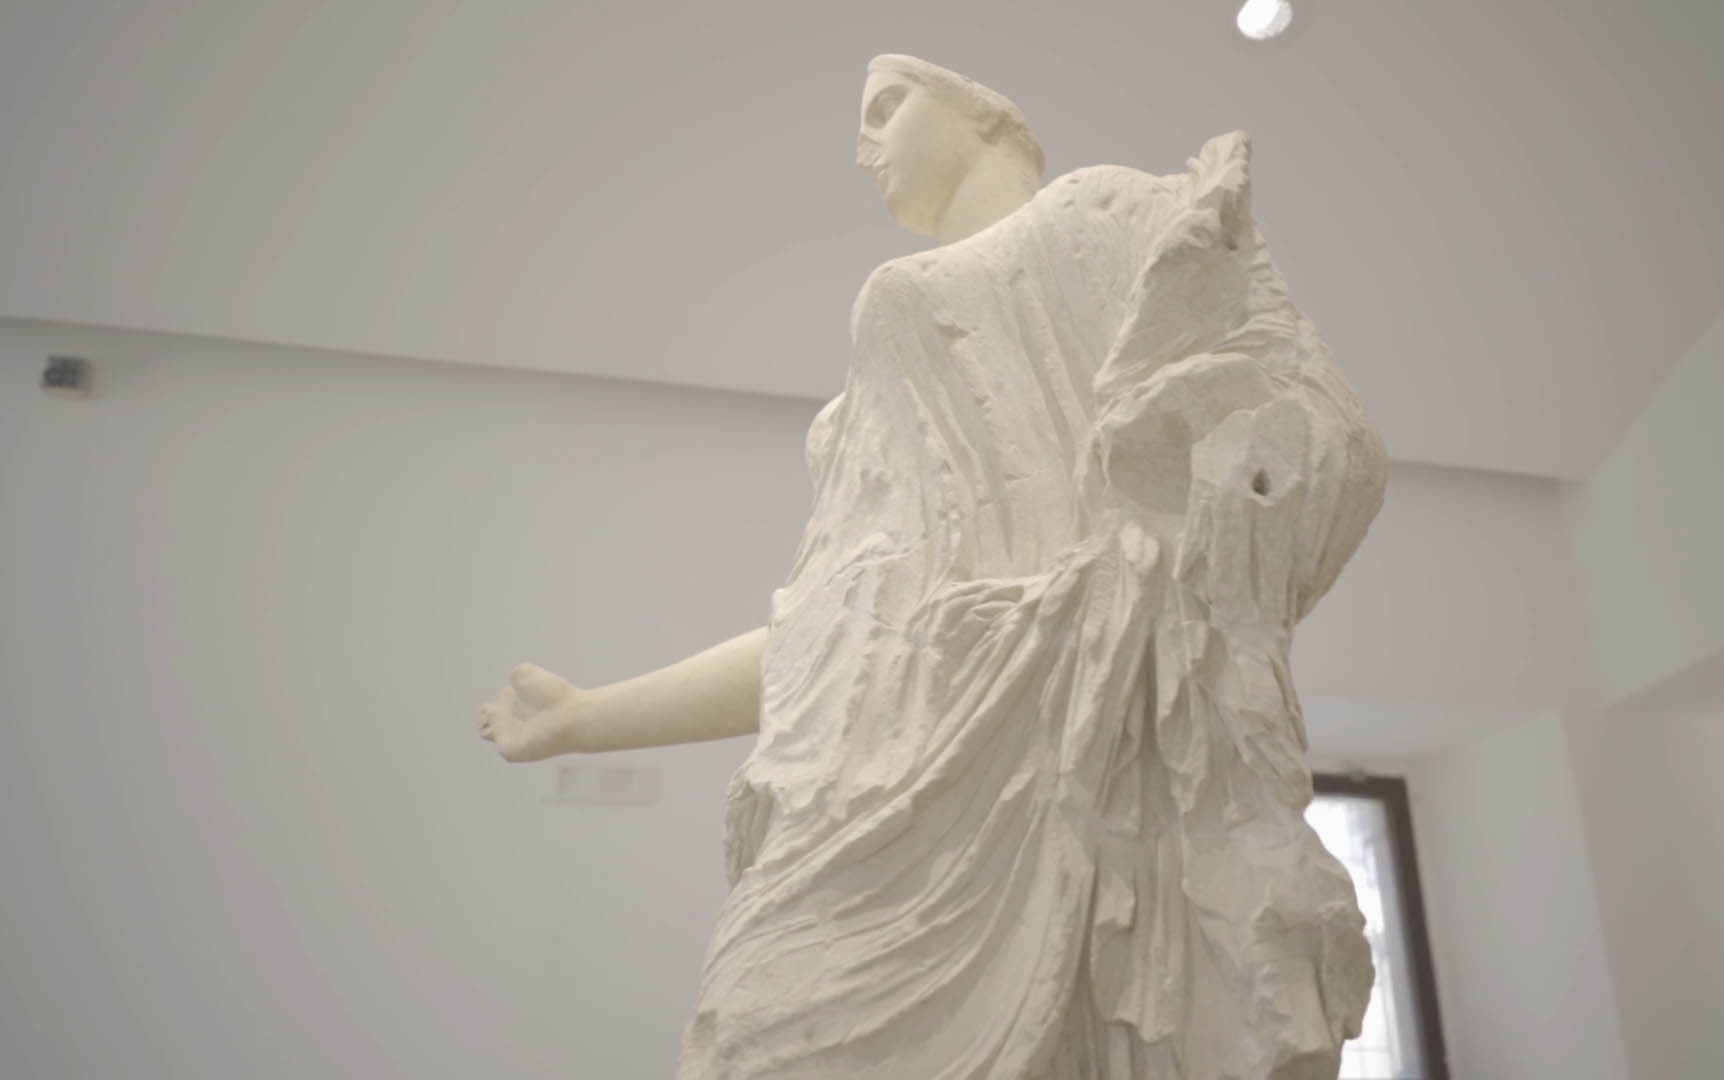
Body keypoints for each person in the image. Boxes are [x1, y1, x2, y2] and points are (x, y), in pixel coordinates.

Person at [479, 54, 1386, 1079]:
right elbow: (833, 636)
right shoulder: (868, 384)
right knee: (762, 1035)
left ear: (987, 112)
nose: (863, 144)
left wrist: (1200, 519)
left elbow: (1313, 422)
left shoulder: (1100, 213)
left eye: (887, 106)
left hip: (1079, 738)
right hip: (883, 782)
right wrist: (586, 717)